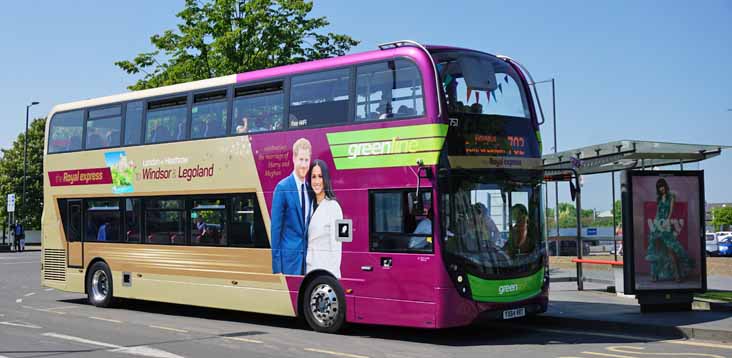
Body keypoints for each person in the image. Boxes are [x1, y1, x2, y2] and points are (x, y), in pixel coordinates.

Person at [270, 138, 313, 275]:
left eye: (306, 160)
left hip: (307, 263)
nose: (304, 165)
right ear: (294, 158)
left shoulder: (309, 189)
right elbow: (275, 230)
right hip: (288, 264)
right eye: (301, 159)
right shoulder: (282, 187)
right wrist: (277, 269)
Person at [645, 178, 694, 282]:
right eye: (659, 187)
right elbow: (658, 212)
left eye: (662, 186)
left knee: (671, 250)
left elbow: (671, 211)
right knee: (656, 250)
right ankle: (654, 275)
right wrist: (655, 223)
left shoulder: (671, 196)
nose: (661, 189)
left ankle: (677, 275)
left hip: (666, 224)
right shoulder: (658, 198)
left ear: (665, 186)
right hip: (658, 224)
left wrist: (667, 221)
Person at [306, 160, 344, 277]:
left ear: (326, 179)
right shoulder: (309, 205)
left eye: (320, 176)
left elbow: (337, 248)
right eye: (313, 177)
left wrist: (332, 279)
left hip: (326, 273)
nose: (317, 181)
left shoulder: (334, 207)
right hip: (310, 270)